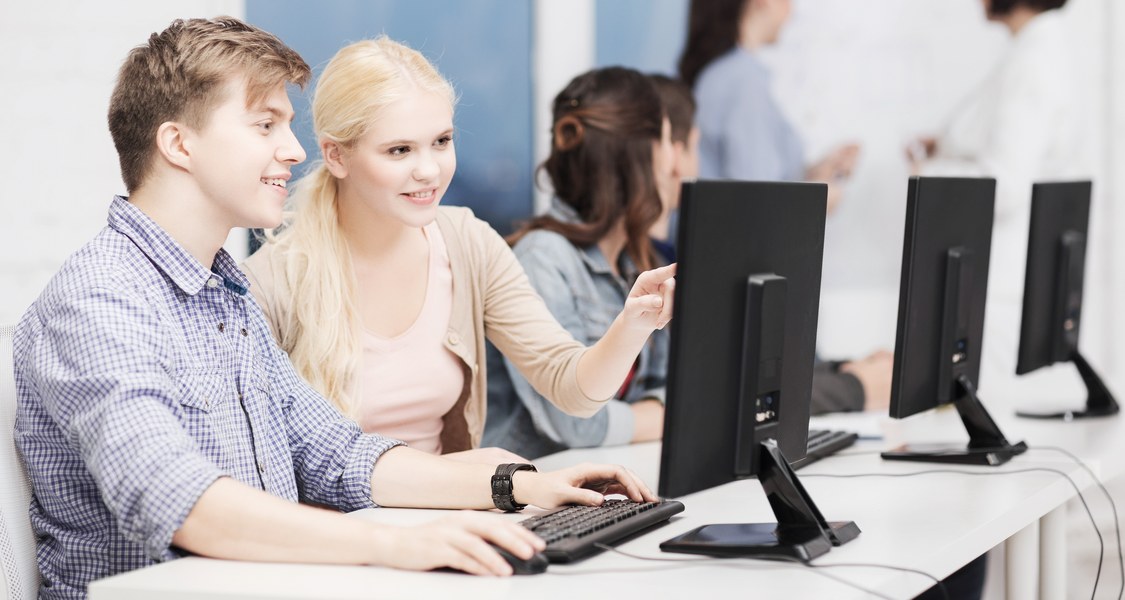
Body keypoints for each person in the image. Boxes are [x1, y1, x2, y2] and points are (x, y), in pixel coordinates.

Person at [12, 18, 660, 598]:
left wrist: (512, 486)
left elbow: (339, 453)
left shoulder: (220, 291)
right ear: (180, 145)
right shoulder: (99, 302)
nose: (295, 152)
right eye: (265, 125)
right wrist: (396, 546)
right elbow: (181, 503)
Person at [242, 39, 676, 464]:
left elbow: (572, 391)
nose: (429, 170)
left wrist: (632, 325)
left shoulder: (468, 242)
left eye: (442, 141)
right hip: (346, 530)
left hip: (451, 519)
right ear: (336, 156)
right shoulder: (273, 281)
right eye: (399, 150)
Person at [648, 73, 892, 415]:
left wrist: (847, 370)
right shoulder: (654, 272)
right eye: (696, 146)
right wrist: (854, 388)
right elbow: (722, 397)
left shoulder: (669, 256)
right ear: (676, 155)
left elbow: (749, 373)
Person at [482, 67, 673, 459]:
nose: (676, 164)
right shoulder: (543, 257)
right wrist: (662, 418)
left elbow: (668, 381)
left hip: (608, 470)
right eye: (670, 141)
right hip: (535, 490)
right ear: (643, 155)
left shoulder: (635, 261)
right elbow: (575, 422)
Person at [907, 0, 1083, 390]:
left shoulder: (1034, 61)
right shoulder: (1033, 50)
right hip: (1003, 281)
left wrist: (928, 174)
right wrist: (949, 148)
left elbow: (1005, 184)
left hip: (1001, 289)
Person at [678, 0, 859, 212]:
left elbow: (752, 184)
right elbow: (756, 205)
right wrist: (816, 204)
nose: (792, 8)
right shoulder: (743, 82)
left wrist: (813, 174)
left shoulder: (725, 75)